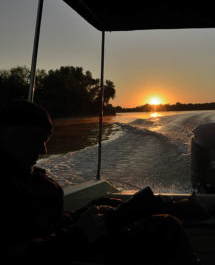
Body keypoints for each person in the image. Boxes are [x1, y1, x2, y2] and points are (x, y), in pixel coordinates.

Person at [0, 99, 199, 264]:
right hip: (71, 251)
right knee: (166, 229)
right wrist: (80, 233)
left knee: (118, 205)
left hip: (73, 242)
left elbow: (50, 223)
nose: (43, 150)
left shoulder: (30, 176)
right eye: (34, 139)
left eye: (46, 141)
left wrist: (90, 213)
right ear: (4, 134)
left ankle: (174, 206)